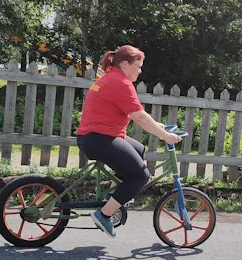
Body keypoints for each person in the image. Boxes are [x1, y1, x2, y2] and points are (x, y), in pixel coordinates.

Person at [76, 45, 183, 237]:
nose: (141, 71)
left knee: (139, 150)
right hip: (100, 139)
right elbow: (139, 117)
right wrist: (165, 136)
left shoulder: (111, 78)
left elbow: (135, 112)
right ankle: (104, 215)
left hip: (95, 137)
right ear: (125, 64)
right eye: (138, 66)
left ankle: (117, 197)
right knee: (141, 176)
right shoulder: (120, 83)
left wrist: (159, 126)